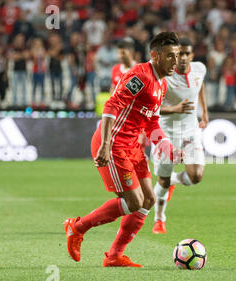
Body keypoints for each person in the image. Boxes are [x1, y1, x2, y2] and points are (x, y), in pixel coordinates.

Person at [63, 32, 183, 268]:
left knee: (148, 199)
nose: (175, 62)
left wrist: (165, 145)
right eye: (170, 56)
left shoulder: (162, 83)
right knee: (134, 201)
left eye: (177, 56)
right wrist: (106, 144)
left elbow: (151, 122)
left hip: (133, 146)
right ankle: (76, 227)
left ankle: (115, 255)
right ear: (155, 55)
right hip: (114, 143)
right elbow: (111, 104)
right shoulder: (140, 75)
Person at [151, 37, 208, 234]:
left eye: (186, 54)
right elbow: (152, 108)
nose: (183, 58)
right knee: (163, 182)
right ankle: (159, 218)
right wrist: (176, 108)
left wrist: (205, 113)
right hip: (166, 134)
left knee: (196, 176)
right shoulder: (164, 75)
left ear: (192, 56)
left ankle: (175, 180)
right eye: (179, 54)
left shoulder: (199, 69)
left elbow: (200, 86)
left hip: (190, 131)